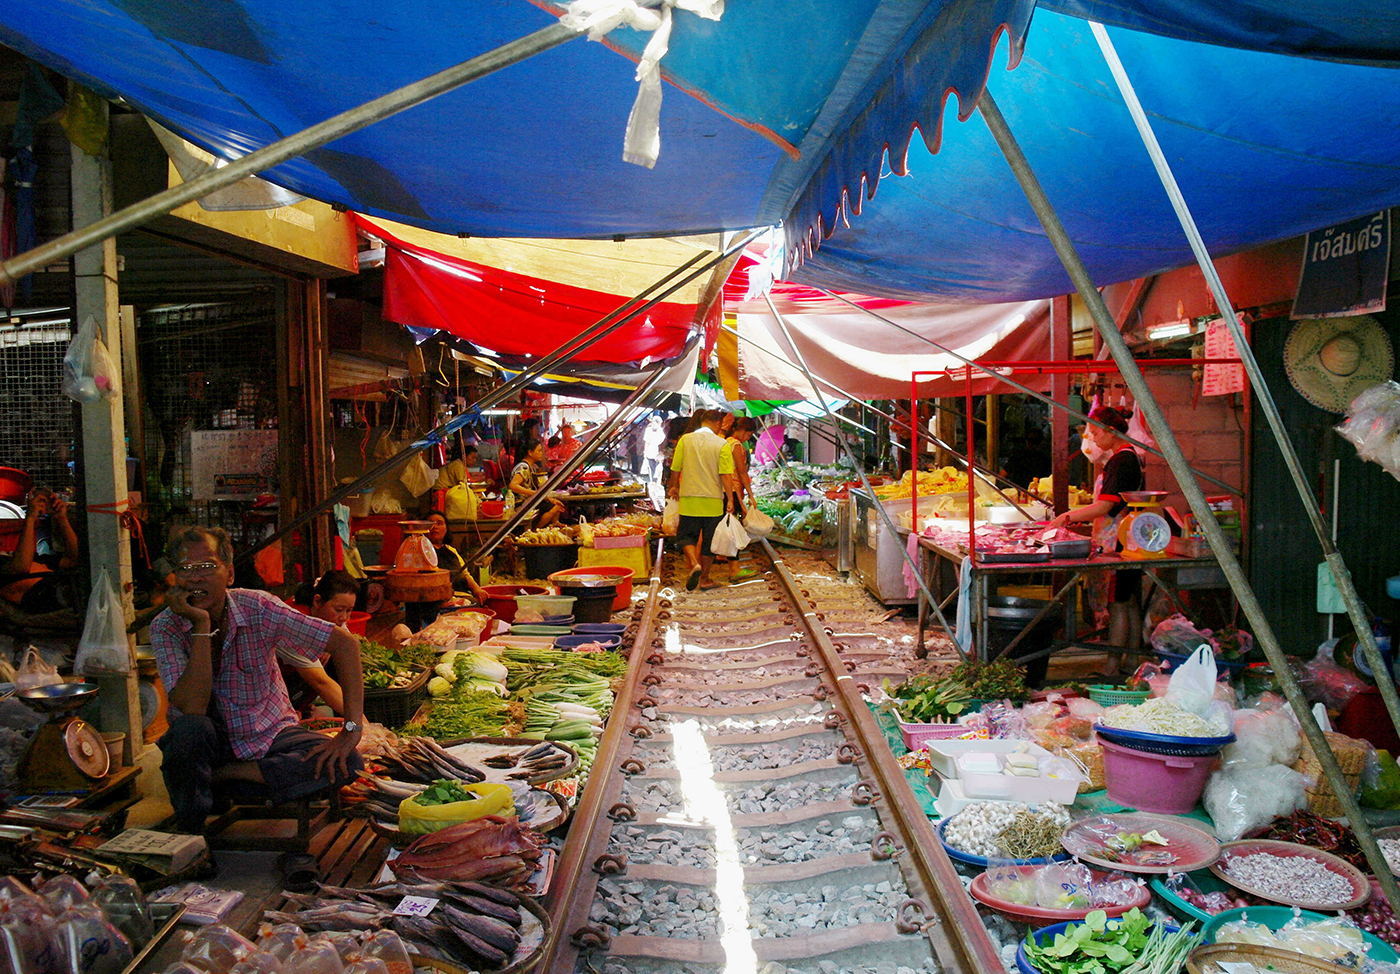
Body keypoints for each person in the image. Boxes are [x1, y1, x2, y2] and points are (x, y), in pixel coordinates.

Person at [151, 526, 364, 833]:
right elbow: (192, 706)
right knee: (187, 732)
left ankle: (222, 776)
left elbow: (346, 644)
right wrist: (201, 624)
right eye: (185, 569)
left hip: (270, 738)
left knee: (350, 762)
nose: (195, 577)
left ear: (230, 574)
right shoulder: (166, 627)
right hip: (208, 745)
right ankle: (191, 834)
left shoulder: (258, 607)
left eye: (208, 567)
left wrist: (351, 730)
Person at [1050, 406, 1145, 653]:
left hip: (1119, 543)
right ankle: (1131, 661)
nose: (1093, 438)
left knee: (1118, 604)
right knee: (1129, 602)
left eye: (1095, 432)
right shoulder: (1123, 457)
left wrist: (1066, 517)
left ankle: (1114, 666)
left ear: (1111, 431)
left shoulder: (1123, 460)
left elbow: (1105, 505)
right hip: (1125, 540)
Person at [279, 571, 361, 717]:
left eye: (349, 611)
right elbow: (321, 682)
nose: (344, 617)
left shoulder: (328, 617)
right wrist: (360, 723)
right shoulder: (297, 625)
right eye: (339, 610)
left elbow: (345, 643)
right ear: (317, 602)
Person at [668, 409, 731, 591]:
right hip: (713, 500)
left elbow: (675, 467)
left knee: (686, 535)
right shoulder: (722, 444)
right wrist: (730, 500)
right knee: (710, 542)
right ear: (718, 424)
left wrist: (674, 487)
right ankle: (704, 578)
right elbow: (726, 475)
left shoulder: (685, 440)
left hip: (689, 498)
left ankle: (694, 562)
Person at [404, 511, 490, 631]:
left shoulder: (451, 550)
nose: (435, 527)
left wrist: (476, 589)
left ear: (446, 528)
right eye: (431, 523)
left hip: (460, 594)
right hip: (434, 599)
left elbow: (465, 573)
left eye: (440, 523)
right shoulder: (417, 550)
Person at [0, 488, 80, 613]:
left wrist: (61, 519)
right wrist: (30, 518)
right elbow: (20, 570)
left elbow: (74, 560)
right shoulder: (7, 565)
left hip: (66, 588)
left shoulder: (35, 559)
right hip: (46, 597)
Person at [721, 416, 759, 583]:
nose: (747, 439)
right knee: (733, 528)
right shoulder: (735, 445)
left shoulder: (725, 441)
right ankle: (734, 569)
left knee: (726, 525)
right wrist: (750, 495)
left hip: (723, 489)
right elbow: (742, 472)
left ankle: (724, 556)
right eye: (749, 435)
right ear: (743, 430)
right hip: (734, 490)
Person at [509, 440, 567, 529]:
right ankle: (535, 531)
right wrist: (534, 493)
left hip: (531, 500)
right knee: (555, 507)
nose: (541, 453)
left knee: (556, 503)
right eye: (539, 451)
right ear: (530, 453)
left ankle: (555, 523)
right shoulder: (523, 467)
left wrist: (549, 498)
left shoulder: (532, 466)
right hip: (521, 503)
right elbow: (513, 485)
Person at [643, 415, 665, 482]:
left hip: (650, 452)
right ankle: (656, 482)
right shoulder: (661, 430)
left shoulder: (648, 430)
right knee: (657, 468)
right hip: (658, 452)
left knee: (652, 468)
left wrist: (645, 452)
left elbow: (647, 442)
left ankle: (653, 482)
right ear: (659, 423)